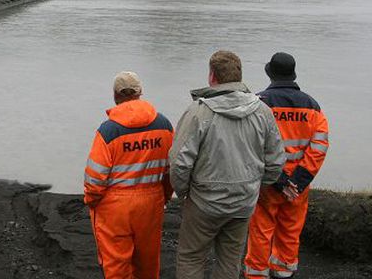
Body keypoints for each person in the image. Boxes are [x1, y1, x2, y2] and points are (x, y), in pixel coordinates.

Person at [169, 51, 285, 279]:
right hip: (243, 203)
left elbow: (179, 163)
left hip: (204, 202)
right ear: (239, 76)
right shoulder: (263, 112)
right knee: (230, 261)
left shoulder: (198, 112)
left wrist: (184, 193)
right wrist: (256, 186)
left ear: (212, 76)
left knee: (191, 257)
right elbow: (276, 161)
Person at [244, 52, 330, 278]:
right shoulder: (313, 106)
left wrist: (278, 179)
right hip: (297, 186)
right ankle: (283, 271)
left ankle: (256, 273)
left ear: (269, 73)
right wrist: (298, 181)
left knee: (261, 230)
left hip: (267, 181)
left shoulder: (258, 103)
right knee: (291, 230)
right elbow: (319, 147)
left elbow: (251, 144)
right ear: (293, 74)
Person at [83, 71, 174, 279]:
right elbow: (172, 168)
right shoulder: (164, 125)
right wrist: (166, 195)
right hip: (151, 202)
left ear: (115, 96)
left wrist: (92, 201)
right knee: (148, 263)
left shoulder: (108, 131)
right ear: (140, 92)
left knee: (116, 265)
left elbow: (95, 178)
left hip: (115, 207)